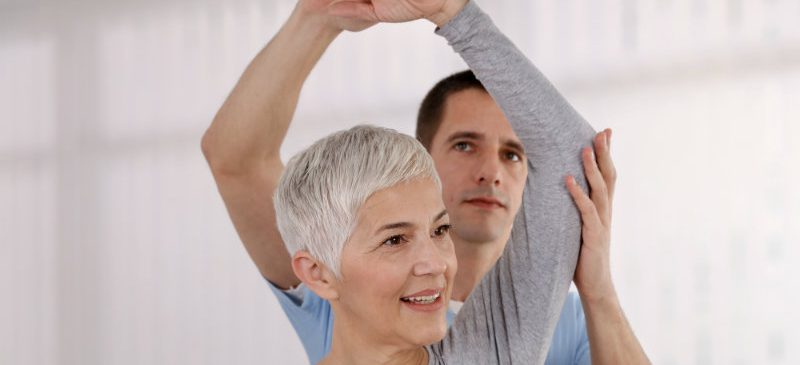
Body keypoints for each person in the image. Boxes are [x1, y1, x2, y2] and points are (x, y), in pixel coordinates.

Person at [202, 0, 650, 363]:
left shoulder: (515, 335)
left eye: (513, 154)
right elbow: (236, 159)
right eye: (464, 145)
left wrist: (451, 12)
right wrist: (316, 16)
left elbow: (568, 153)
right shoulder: (335, 287)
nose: (491, 171)